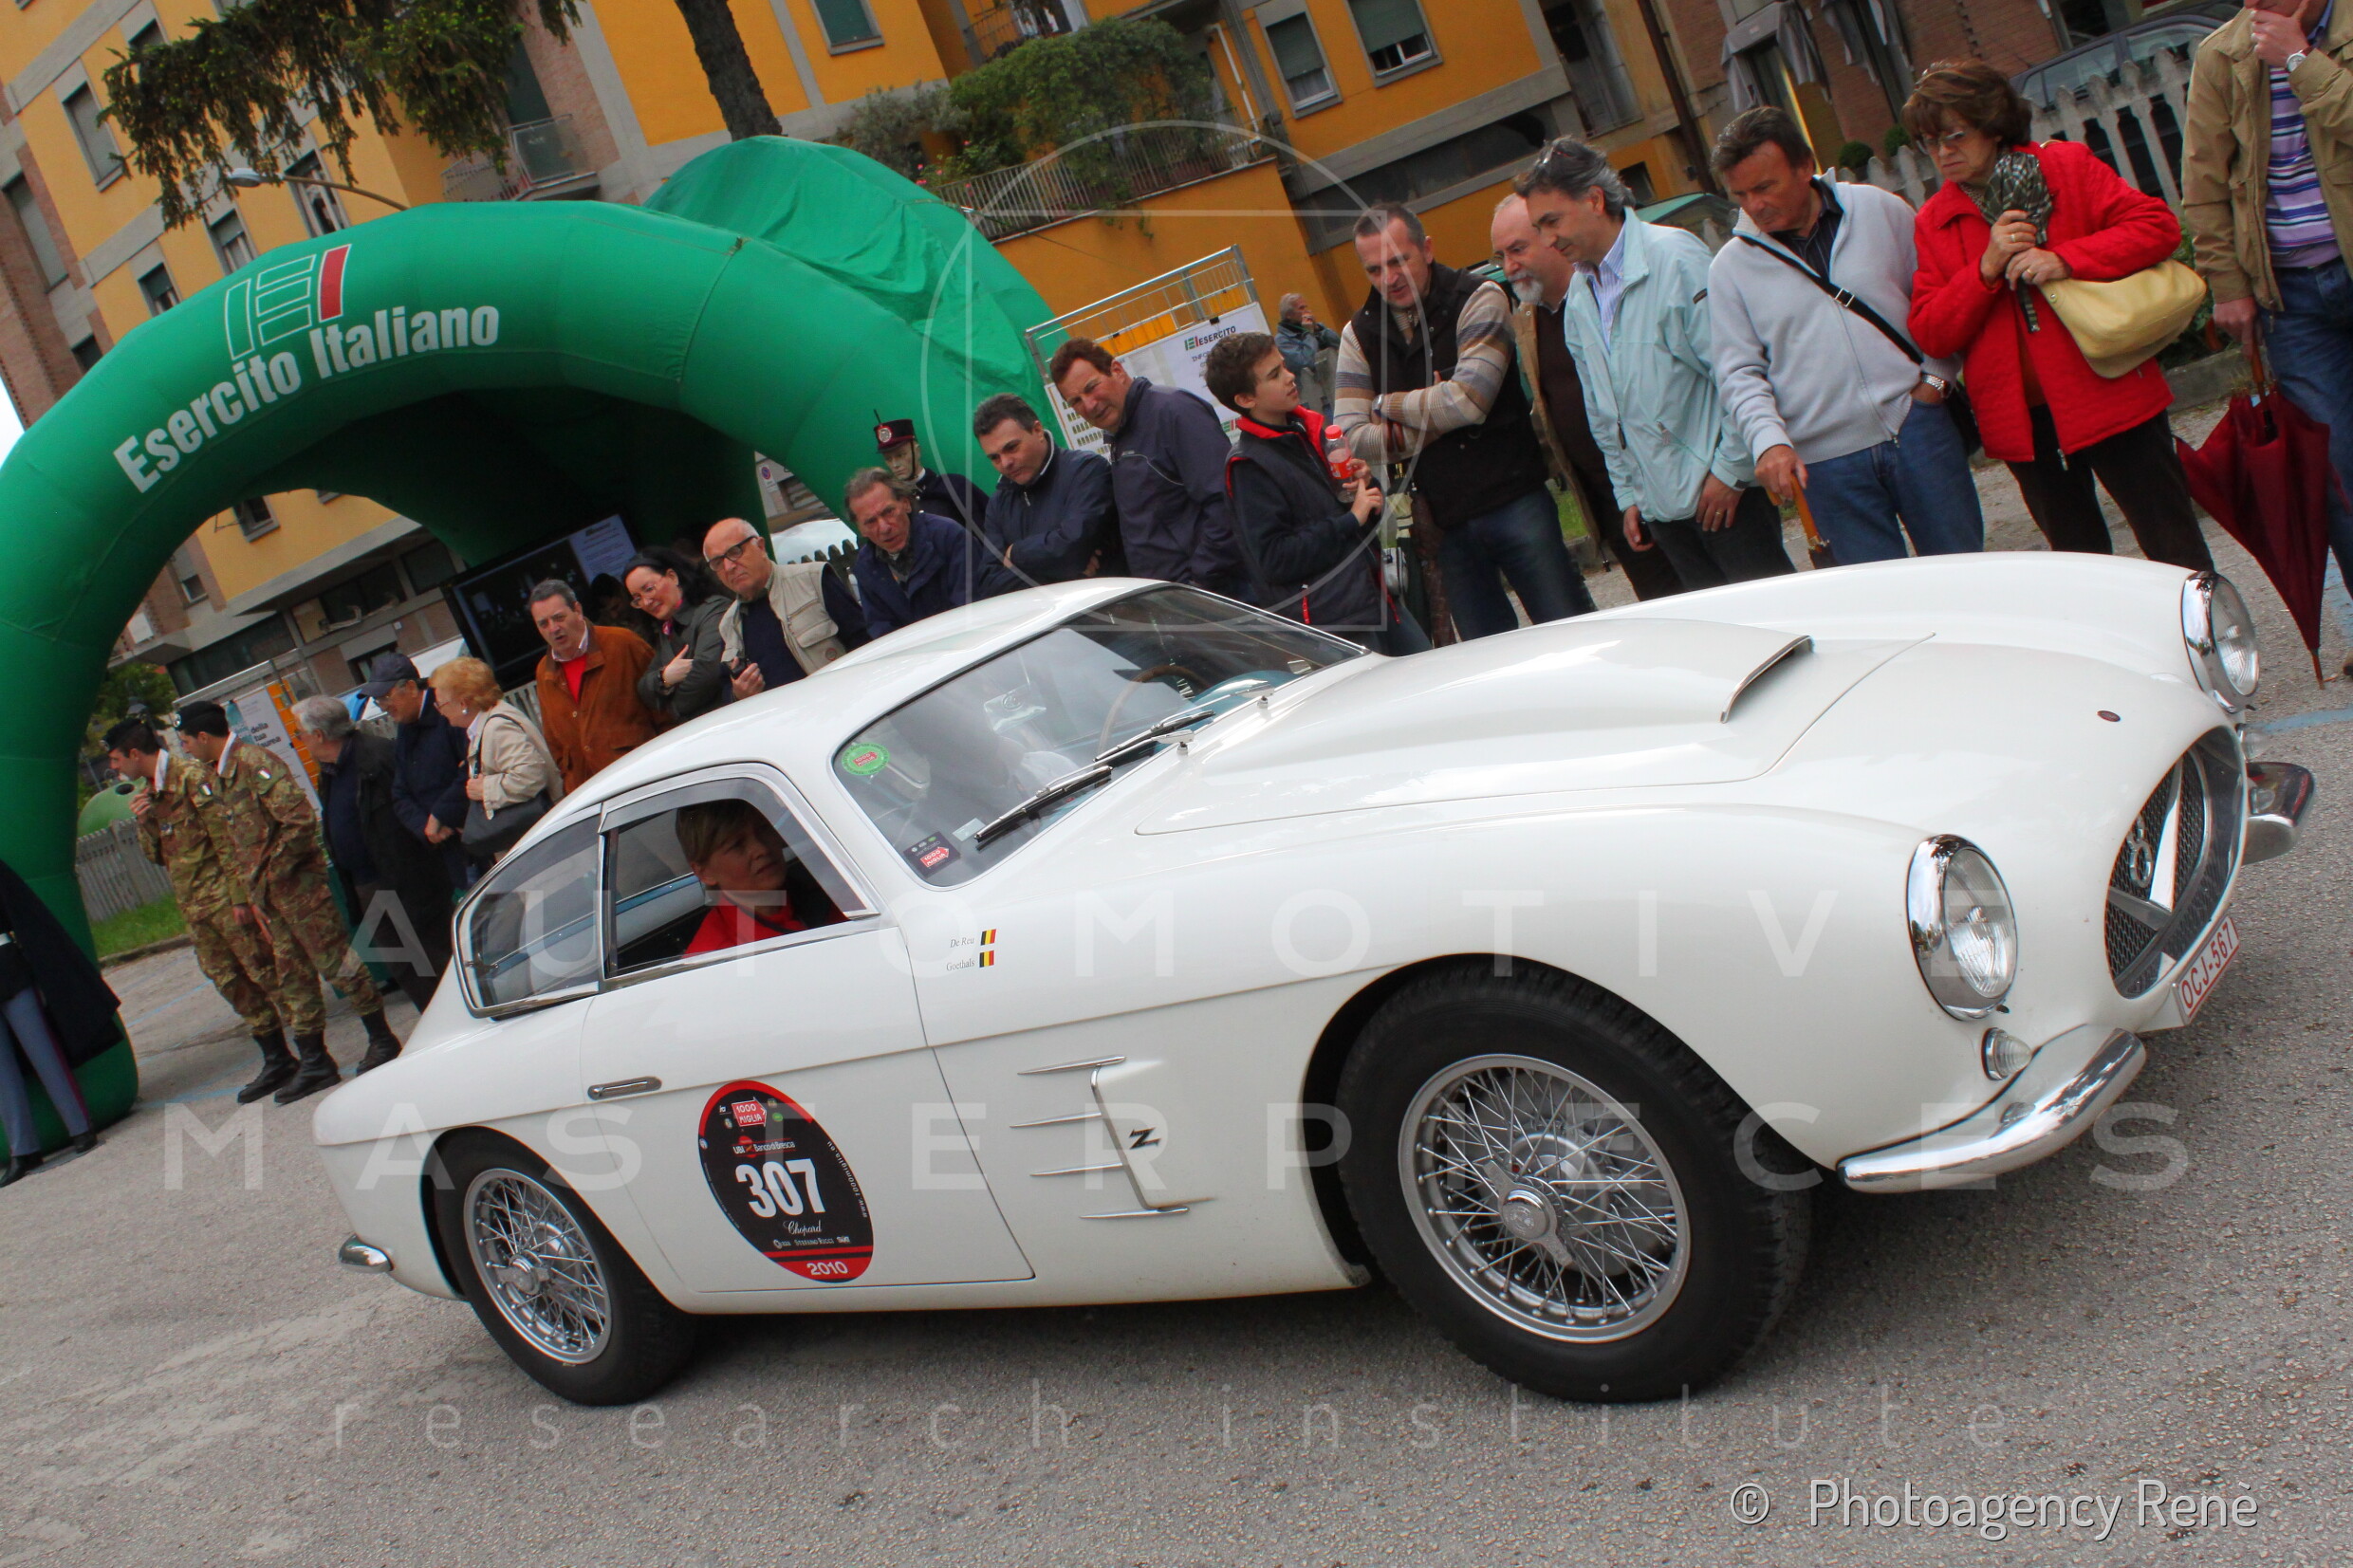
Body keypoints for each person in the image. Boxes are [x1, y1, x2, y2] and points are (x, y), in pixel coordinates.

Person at [1905, 64, 2211, 572]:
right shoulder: (1934, 220)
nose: (1942, 153)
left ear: (1993, 125)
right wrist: (1984, 270)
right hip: (2023, 422)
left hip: (2111, 391)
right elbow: (1932, 331)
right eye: (1929, 142)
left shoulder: (2065, 167)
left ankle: (2206, 627)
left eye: (1954, 136)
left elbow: (2156, 227)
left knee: (2175, 552)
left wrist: (2065, 260)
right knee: (2078, 572)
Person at [1708, 106, 1985, 563]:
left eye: (1765, 187)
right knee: (1874, 600)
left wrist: (1937, 380)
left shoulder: (1879, 210)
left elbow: (1937, 296)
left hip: (1918, 426)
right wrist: (1768, 440)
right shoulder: (1730, 270)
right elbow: (1738, 373)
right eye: (1741, 194)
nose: (1754, 206)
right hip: (1824, 464)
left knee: (1964, 573)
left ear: (1804, 166)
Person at [1522, 141, 1795, 588]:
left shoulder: (1676, 258)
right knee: (1709, 631)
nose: (1548, 239)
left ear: (1595, 200)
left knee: (1775, 619)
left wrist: (1731, 473)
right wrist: (1629, 495)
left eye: (1552, 221)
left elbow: (1737, 372)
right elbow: (1603, 411)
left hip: (1727, 501)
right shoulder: (1580, 297)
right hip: (1663, 514)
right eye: (1539, 227)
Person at [1334, 201, 1596, 639]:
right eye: (1374, 270)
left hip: (1515, 500)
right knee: (1484, 659)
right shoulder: (1357, 334)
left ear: (1427, 249)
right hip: (1444, 523)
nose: (1389, 278)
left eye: (1399, 261)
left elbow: (1469, 403)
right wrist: (1439, 408)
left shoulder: (1480, 297)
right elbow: (1350, 436)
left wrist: (1383, 403)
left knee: (1570, 633)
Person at [2184, 0, 2353, 638]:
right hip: (2293, 298)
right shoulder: (2221, 56)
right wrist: (2228, 286)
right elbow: (2203, 186)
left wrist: (2302, 62)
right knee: (2336, 472)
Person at [176, 701, 401, 1100]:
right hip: (271, 898)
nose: (185, 749)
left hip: (298, 889)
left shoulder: (254, 763)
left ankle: (382, 1038)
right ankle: (315, 1061)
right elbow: (237, 842)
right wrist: (254, 891)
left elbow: (298, 822)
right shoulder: (219, 775)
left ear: (204, 737)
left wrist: (271, 874)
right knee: (292, 975)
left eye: (186, 741)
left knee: (338, 964)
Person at [1491, 190, 1686, 600]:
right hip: (1613, 505)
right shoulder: (1527, 321)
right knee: (1667, 615)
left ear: (1550, 237)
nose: (1508, 267)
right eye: (1500, 257)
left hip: (1666, 487)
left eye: (1518, 250)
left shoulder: (1602, 298)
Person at [1203, 330, 1428, 655]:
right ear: (1246, 399)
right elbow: (1276, 559)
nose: (1289, 377)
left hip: (1373, 597)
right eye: (1274, 375)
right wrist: (1351, 519)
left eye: (1284, 366)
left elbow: (1351, 516)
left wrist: (1366, 488)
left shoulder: (1309, 431)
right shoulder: (1249, 466)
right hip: (1333, 624)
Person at [106, 718, 291, 1103]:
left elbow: (227, 838)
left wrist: (240, 898)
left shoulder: (190, 776)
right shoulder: (151, 791)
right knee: (227, 979)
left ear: (135, 754)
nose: (114, 767)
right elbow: (157, 856)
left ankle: (310, 1047)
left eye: (115, 759)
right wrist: (146, 821)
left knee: (264, 969)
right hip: (195, 905)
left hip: (223, 897)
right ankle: (277, 1056)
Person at [293, 695, 454, 1016]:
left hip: (406, 878)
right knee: (406, 967)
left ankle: (462, 1019)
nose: (299, 741)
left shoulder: (376, 757)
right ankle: (436, 1021)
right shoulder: (330, 769)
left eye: (300, 734)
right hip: (368, 885)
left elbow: (410, 810)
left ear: (319, 735)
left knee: (436, 958)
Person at [1048, 337, 1245, 593]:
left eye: (1092, 387)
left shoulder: (1173, 412)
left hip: (1216, 593)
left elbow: (1227, 502)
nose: (1089, 405)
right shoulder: (1122, 433)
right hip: (1173, 597)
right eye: (1075, 401)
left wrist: (1199, 581)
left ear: (1117, 371)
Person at [0, 856, 115, 1183]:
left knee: (43, 1050)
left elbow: (22, 912)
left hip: (7, 965)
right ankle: (23, 1150)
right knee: (1, 1072)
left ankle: (79, 1126)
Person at [845, 469, 1019, 640]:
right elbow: (881, 629)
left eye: (888, 512)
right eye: (870, 521)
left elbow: (973, 607)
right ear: (860, 529)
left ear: (906, 503)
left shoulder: (949, 536)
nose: (884, 527)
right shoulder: (865, 566)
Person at [701, 517, 863, 700]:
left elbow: (863, 642)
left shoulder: (813, 580)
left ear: (760, 546)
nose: (728, 566)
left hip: (843, 702)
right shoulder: (729, 625)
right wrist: (738, 694)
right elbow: (725, 687)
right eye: (717, 562)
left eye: (735, 551)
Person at [528, 579, 663, 796]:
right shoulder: (544, 671)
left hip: (644, 783)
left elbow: (664, 710)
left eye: (559, 618)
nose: (553, 629)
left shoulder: (622, 643)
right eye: (543, 624)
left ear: (577, 610)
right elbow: (555, 743)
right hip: (590, 796)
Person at [973, 393, 1122, 585]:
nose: (1005, 462)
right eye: (994, 458)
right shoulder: (999, 503)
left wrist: (1014, 553)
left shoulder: (1087, 471)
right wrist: (1060, 572)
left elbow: (1072, 549)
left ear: (1037, 430)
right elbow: (990, 583)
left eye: (1012, 448)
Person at [360, 652, 472, 891]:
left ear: (411, 687)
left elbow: (472, 767)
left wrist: (442, 816)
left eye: (386, 697)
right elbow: (400, 792)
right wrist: (426, 827)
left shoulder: (447, 712)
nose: (384, 707)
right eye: (378, 701)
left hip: (478, 836)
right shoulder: (405, 729)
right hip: (449, 849)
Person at [675, 798, 844, 955]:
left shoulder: (828, 890)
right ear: (704, 872)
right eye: (737, 845)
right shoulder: (718, 957)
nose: (761, 849)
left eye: (763, 829)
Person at [430, 658, 562, 859]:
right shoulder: (490, 722)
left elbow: (531, 776)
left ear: (463, 703)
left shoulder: (497, 727)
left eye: (441, 704)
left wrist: (485, 789)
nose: (440, 711)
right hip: (536, 841)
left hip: (542, 844)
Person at [624, 547, 735, 724]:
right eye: (637, 598)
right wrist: (664, 677)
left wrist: (672, 707)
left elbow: (707, 673)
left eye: (649, 589)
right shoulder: (666, 630)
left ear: (673, 577)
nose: (646, 601)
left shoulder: (713, 609)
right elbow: (643, 689)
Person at [875, 417, 991, 539]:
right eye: (888, 459)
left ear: (917, 451)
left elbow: (988, 529)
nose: (895, 464)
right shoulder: (894, 503)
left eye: (901, 455)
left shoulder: (954, 486)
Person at [1277, 293, 1343, 417]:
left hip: (1334, 387)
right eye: (1301, 308)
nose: (1306, 311)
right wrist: (1309, 334)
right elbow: (1307, 361)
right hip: (1313, 399)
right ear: (1289, 315)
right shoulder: (1282, 341)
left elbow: (1338, 343)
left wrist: (1318, 328)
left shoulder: (1310, 329)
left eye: (1306, 307)